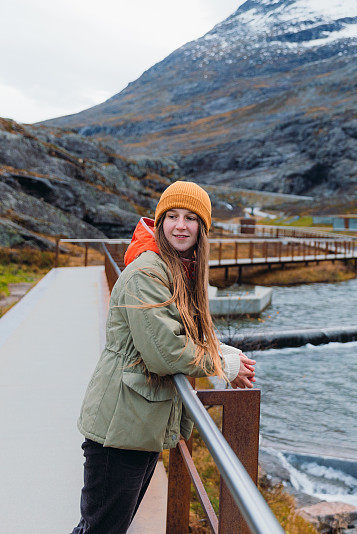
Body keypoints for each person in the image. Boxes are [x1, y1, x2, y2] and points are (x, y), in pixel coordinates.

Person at [71, 181, 256, 534]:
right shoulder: (147, 272)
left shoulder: (177, 268)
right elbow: (165, 352)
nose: (181, 225)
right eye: (172, 216)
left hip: (137, 425)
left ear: (203, 228)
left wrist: (221, 351)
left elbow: (177, 332)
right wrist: (221, 364)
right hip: (119, 429)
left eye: (191, 218)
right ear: (159, 221)